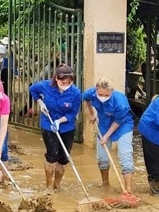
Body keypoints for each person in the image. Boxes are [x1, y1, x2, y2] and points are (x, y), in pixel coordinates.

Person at [30, 64, 81, 193]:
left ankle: (57, 185)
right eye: (63, 82)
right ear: (56, 79)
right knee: (52, 154)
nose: (66, 84)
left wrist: (59, 121)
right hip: (48, 123)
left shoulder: (75, 93)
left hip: (66, 126)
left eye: (69, 82)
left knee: (64, 158)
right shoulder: (45, 86)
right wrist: (40, 103)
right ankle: (48, 186)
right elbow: (32, 89)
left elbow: (72, 113)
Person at [83, 77, 135, 192]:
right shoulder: (90, 93)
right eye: (101, 94)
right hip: (104, 124)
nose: (104, 98)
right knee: (102, 157)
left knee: (125, 155)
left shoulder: (120, 102)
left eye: (107, 95)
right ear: (96, 89)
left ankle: (128, 190)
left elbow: (118, 121)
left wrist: (106, 136)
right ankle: (105, 184)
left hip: (123, 125)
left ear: (112, 92)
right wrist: (91, 113)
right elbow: (86, 99)